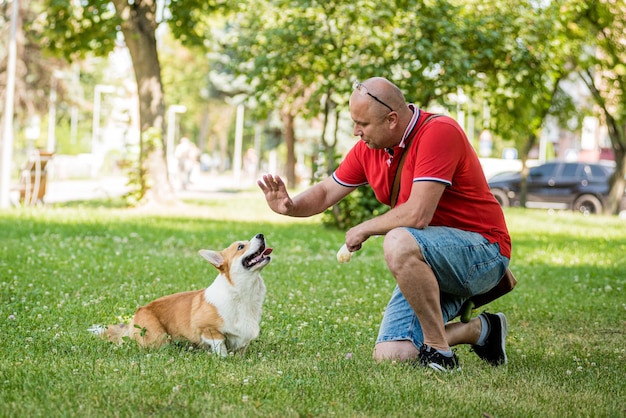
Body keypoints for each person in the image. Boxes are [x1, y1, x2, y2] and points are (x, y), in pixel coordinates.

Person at [258, 77, 512, 371]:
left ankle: (439, 353)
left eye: (362, 123)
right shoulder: (370, 148)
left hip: (483, 252)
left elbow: (418, 214)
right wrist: (290, 207)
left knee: (398, 240)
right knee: (392, 354)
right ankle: (483, 330)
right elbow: (327, 191)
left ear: (392, 119)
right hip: (432, 259)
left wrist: (364, 227)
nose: (356, 131)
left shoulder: (439, 132)